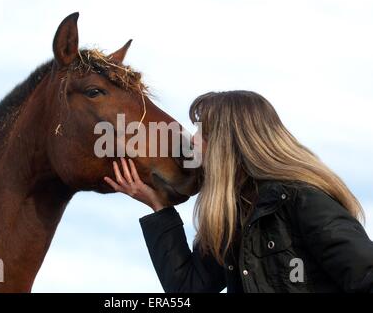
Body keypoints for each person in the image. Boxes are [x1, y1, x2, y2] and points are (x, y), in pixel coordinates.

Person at [104, 90, 373, 293]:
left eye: (201, 132)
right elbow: (187, 288)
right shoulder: (233, 217)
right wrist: (159, 208)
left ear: (228, 142)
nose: (193, 141)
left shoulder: (303, 201)